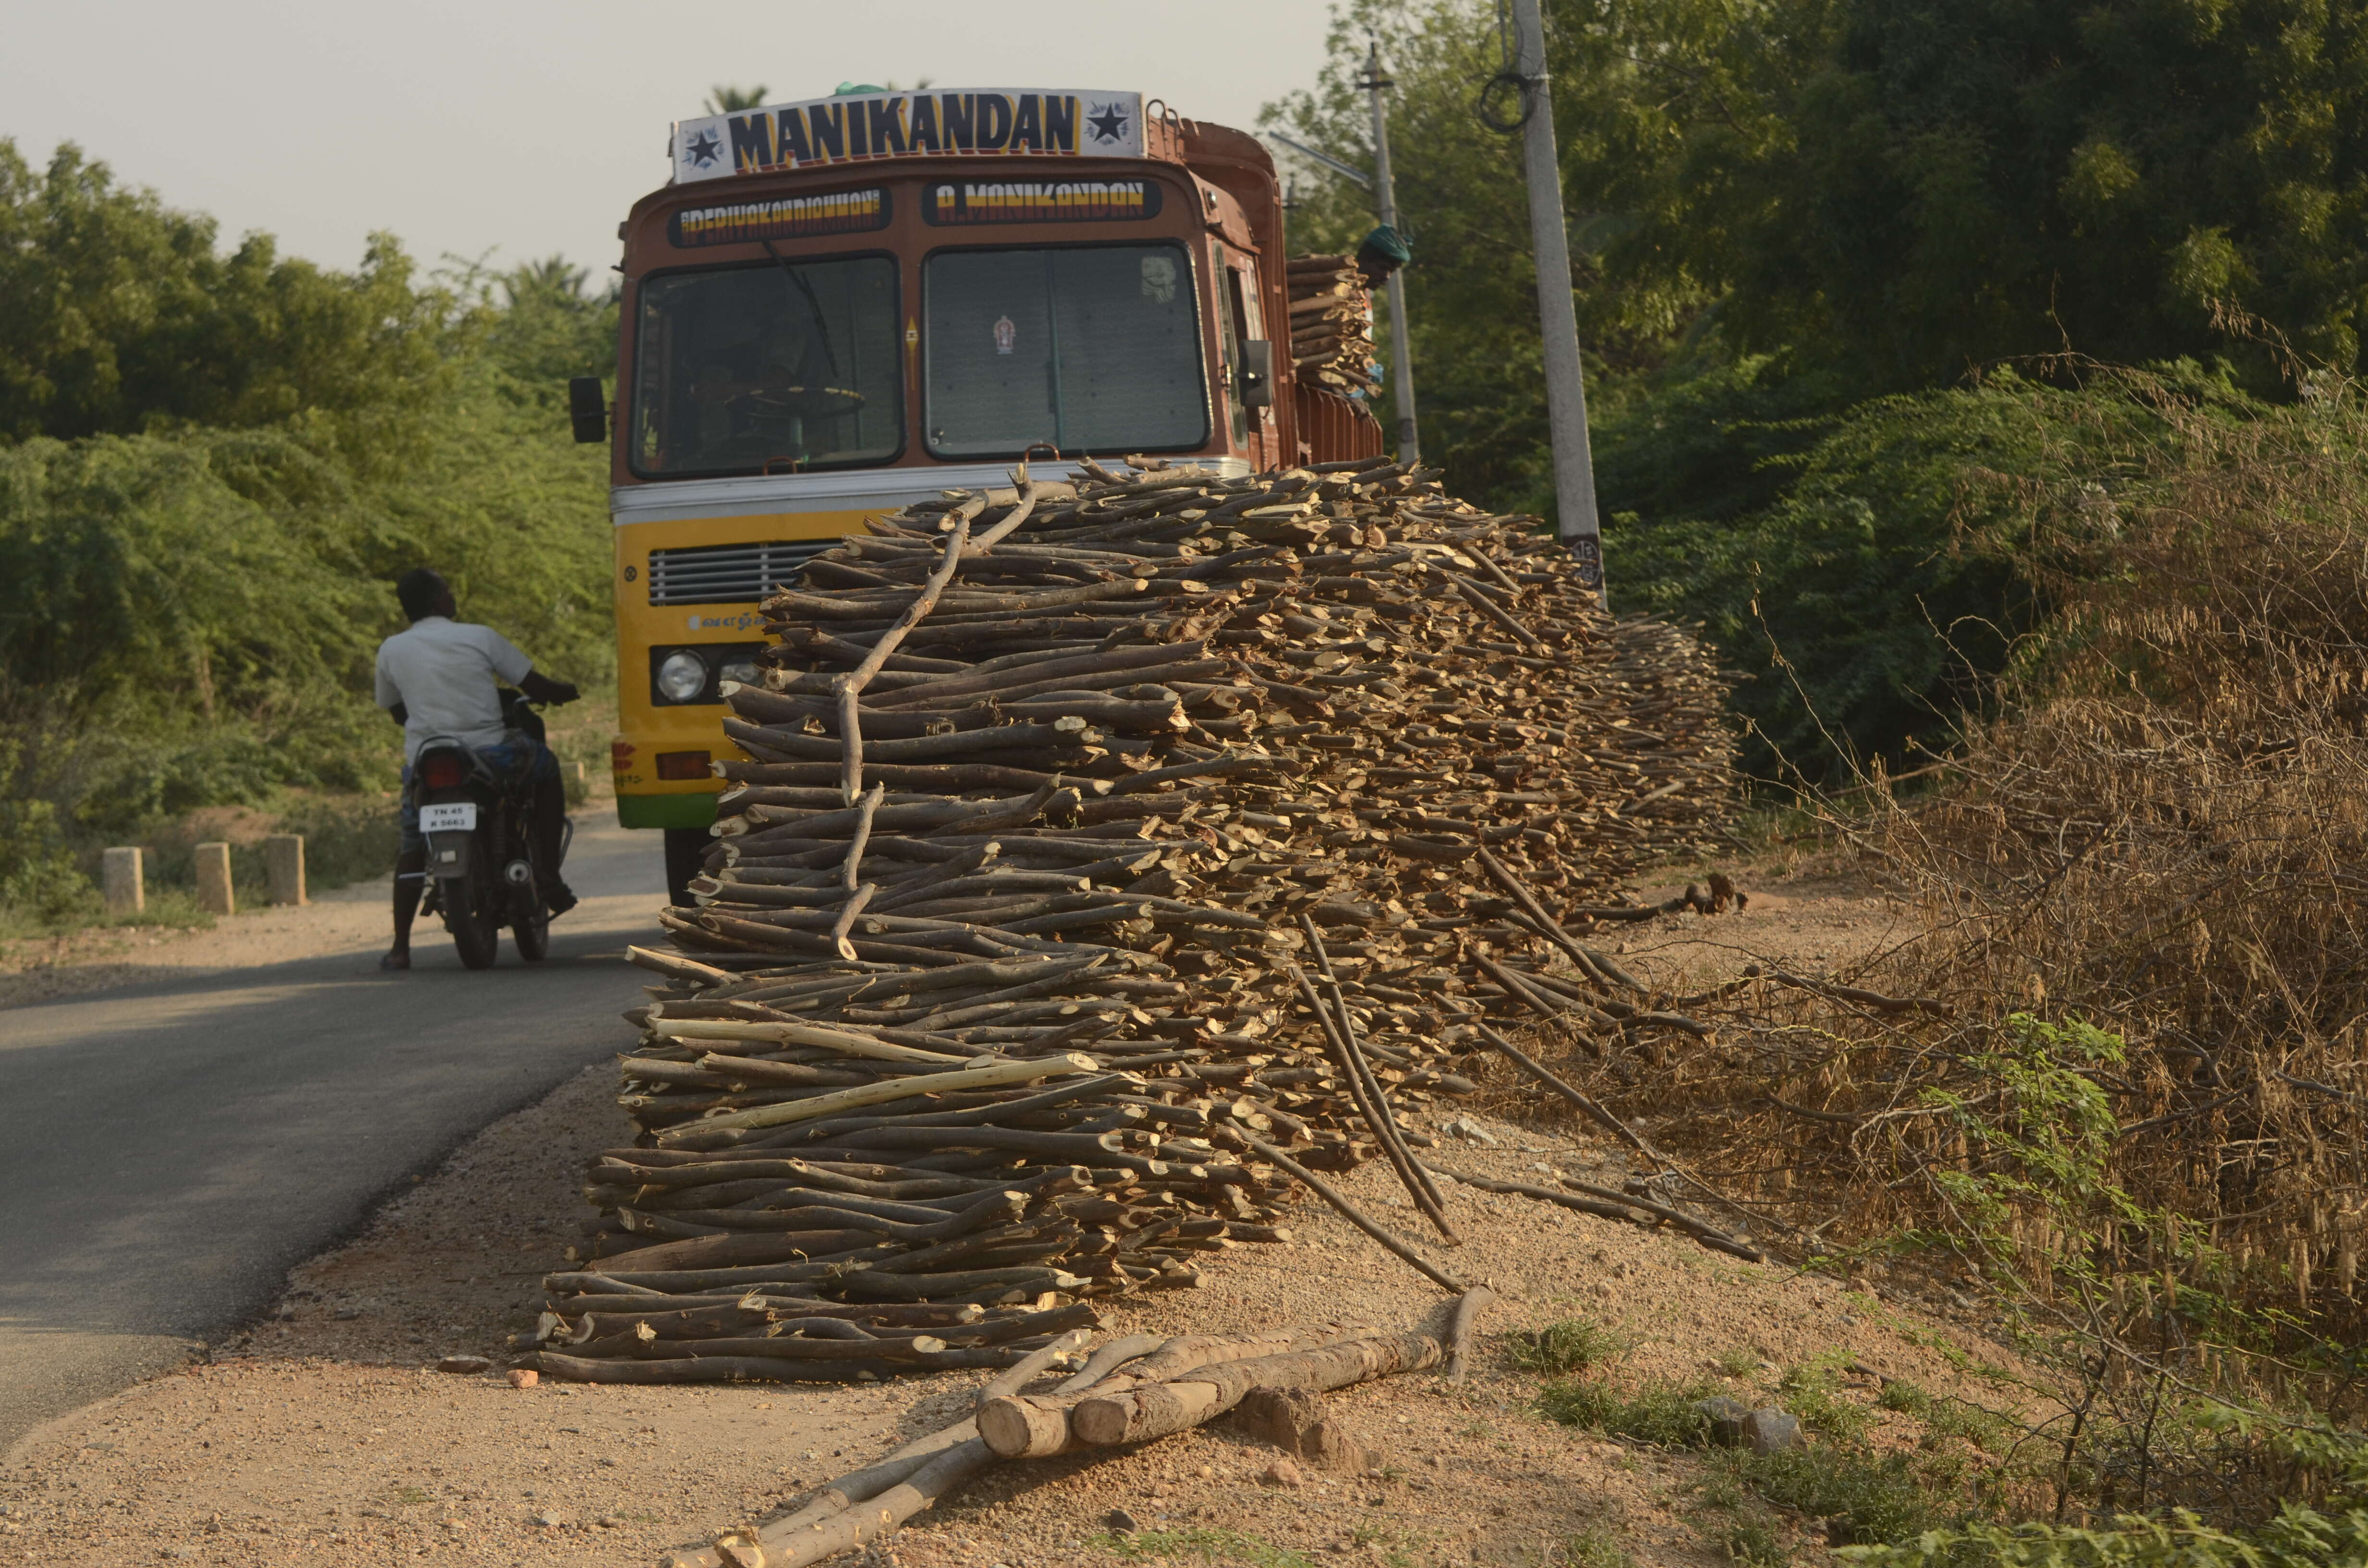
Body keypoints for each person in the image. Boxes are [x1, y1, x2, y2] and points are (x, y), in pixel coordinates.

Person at [375, 568, 580, 971]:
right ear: (439, 602)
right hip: (492, 753)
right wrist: (565, 693)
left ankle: (400, 947)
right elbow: (536, 687)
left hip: (428, 759)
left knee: (414, 844)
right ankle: (549, 875)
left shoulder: (391, 649)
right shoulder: (479, 636)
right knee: (547, 766)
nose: (453, 597)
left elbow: (397, 711)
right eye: (448, 591)